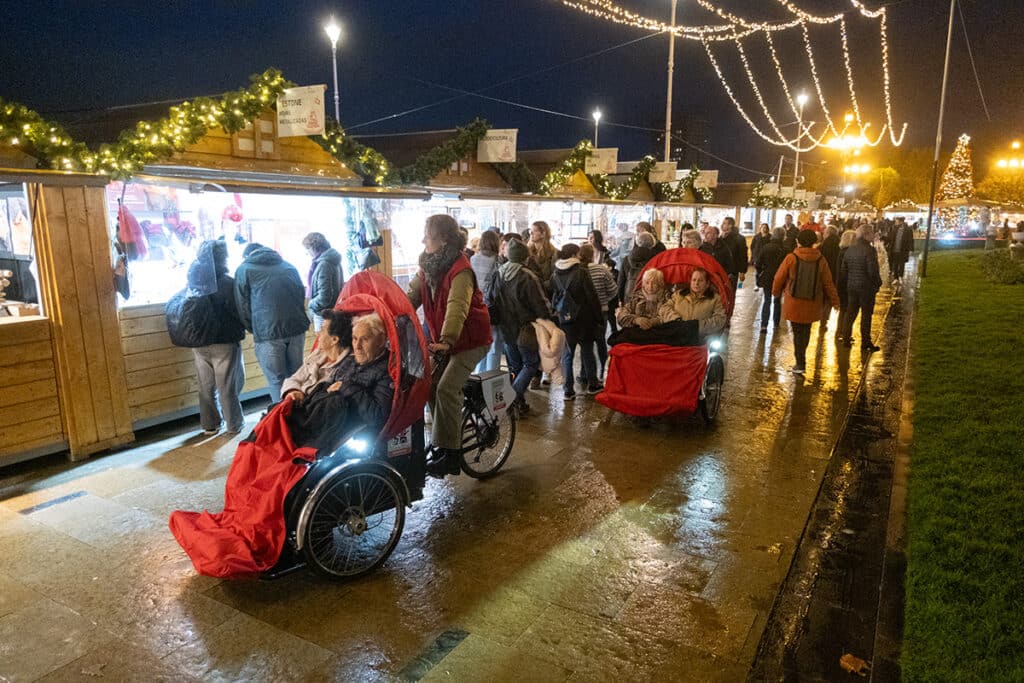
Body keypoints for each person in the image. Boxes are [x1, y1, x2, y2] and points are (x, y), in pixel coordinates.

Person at [405, 214, 492, 476]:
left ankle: (452, 456)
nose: (423, 240)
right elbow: (409, 298)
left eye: (428, 236)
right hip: (444, 341)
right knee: (428, 386)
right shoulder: (428, 267)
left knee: (445, 389)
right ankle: (443, 444)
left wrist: (446, 340)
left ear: (443, 240)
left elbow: (457, 306)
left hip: (470, 340)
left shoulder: (460, 269)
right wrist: (384, 317)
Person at [284, 312, 394, 454]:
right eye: (354, 339)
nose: (357, 346)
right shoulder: (349, 360)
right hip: (322, 418)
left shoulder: (387, 372)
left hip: (342, 428)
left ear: (380, 340)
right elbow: (327, 387)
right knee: (278, 414)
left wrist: (346, 387)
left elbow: (376, 416)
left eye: (364, 339)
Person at [169, 240, 246, 435]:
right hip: (224, 342)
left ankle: (210, 425)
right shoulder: (227, 283)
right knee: (226, 385)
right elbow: (237, 311)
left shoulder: (194, 280)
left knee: (205, 386)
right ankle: (233, 424)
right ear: (223, 257)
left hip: (198, 342)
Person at [234, 243, 309, 403]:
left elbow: (242, 305)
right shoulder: (289, 267)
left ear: (247, 255)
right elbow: (300, 295)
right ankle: (302, 417)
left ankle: (282, 420)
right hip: (296, 329)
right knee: (296, 377)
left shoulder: (244, 270)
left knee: (276, 380)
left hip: (268, 333)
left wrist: (254, 328)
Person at [487, 238, 550, 417]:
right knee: (531, 363)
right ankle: (513, 398)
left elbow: (490, 299)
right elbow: (541, 306)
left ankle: (519, 405)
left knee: (515, 366)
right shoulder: (528, 276)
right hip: (526, 328)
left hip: (506, 329)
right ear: (524, 257)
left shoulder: (498, 274)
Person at [772, 229, 840, 375]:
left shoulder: (791, 258)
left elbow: (779, 277)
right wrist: (835, 301)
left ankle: (800, 362)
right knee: (806, 331)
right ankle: (801, 358)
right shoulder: (821, 260)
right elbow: (828, 283)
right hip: (812, 302)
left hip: (794, 302)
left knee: (797, 332)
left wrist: (776, 293)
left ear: (798, 241)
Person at [550, 243, 603, 399]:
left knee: (567, 353)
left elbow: (553, 295)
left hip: (565, 319)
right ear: (575, 254)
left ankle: (568, 390)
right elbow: (592, 297)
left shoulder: (555, 274)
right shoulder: (581, 272)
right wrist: (598, 318)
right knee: (587, 351)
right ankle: (592, 384)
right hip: (584, 319)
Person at [281, 308, 352, 403]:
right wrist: (292, 391)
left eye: (322, 330)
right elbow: (294, 378)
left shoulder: (346, 367)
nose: (318, 333)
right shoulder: (318, 354)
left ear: (334, 339)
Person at [837, 224, 883, 352]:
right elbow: (872, 271)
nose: (874, 235)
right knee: (866, 315)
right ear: (866, 235)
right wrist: (878, 283)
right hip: (866, 287)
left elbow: (843, 270)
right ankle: (866, 342)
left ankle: (846, 338)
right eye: (872, 233)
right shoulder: (869, 250)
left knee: (850, 313)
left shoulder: (850, 249)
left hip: (852, 286)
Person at [579, 242, 618, 379]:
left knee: (586, 344)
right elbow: (614, 290)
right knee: (600, 341)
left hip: (583, 313)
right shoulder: (602, 270)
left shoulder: (577, 270)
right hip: (601, 310)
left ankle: (584, 373)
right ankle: (603, 371)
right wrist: (604, 299)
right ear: (593, 255)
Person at [471, 230, 503, 372]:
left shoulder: (473, 259)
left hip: (477, 305)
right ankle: (492, 375)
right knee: (495, 343)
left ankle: (479, 374)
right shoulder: (498, 260)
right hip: (493, 306)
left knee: (481, 343)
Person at [669, 267, 727, 340]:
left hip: (701, 339)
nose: (696, 283)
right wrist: (676, 320)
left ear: (707, 284)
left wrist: (697, 326)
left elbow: (720, 319)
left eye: (700, 280)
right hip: (676, 335)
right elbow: (665, 308)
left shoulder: (715, 298)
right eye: (694, 280)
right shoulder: (679, 294)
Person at [302, 232, 344, 332]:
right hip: (333, 311)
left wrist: (311, 304)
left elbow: (325, 296)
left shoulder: (324, 264)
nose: (308, 253)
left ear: (313, 248)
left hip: (323, 315)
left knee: (324, 345)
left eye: (307, 249)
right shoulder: (333, 261)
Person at [755, 227, 787, 332]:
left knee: (767, 300)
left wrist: (760, 272)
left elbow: (758, 263)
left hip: (767, 276)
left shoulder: (766, 247)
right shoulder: (785, 249)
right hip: (780, 277)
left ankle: (764, 325)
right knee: (777, 300)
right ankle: (776, 324)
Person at [618, 232, 657, 301]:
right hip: (649, 297)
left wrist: (621, 299)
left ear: (637, 242)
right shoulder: (655, 259)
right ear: (652, 244)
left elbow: (621, 281)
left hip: (630, 296)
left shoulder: (627, 259)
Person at [818, 225, 841, 331]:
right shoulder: (839, 244)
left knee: (823, 297)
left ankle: (821, 318)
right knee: (829, 297)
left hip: (824, 272)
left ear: (828, 233)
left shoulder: (824, 245)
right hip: (835, 273)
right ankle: (824, 320)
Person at [526, 221, 558, 293]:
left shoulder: (554, 253)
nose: (531, 233)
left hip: (546, 292)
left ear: (543, 233)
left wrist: (541, 286)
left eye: (535, 230)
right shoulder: (527, 252)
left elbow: (555, 277)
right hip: (530, 292)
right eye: (530, 230)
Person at [719, 217, 748, 293]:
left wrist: (742, 271)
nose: (722, 225)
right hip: (721, 269)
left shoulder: (739, 238)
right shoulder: (721, 237)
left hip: (732, 271)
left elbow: (743, 256)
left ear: (730, 225)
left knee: (730, 292)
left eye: (724, 223)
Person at [887, 216, 914, 285]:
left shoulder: (908, 230)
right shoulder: (893, 228)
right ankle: (896, 278)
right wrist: (882, 239)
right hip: (894, 250)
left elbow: (910, 240)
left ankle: (900, 277)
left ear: (901, 222)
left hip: (903, 250)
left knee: (902, 264)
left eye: (897, 221)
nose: (895, 222)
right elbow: (889, 238)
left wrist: (911, 249)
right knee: (895, 264)